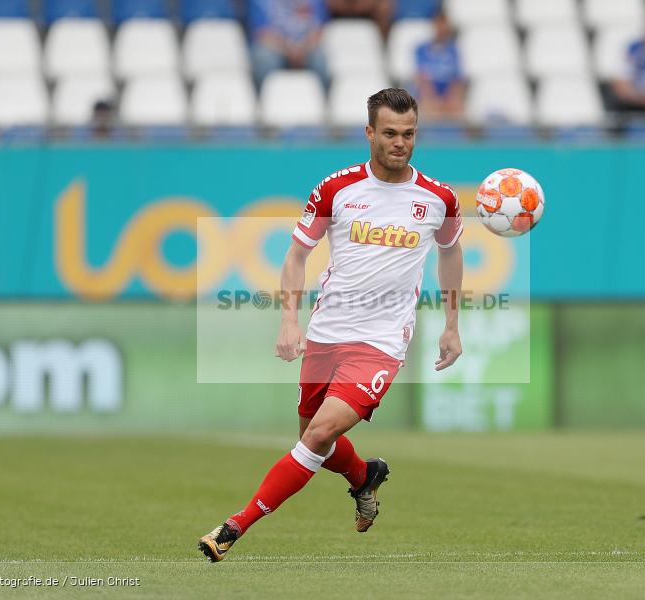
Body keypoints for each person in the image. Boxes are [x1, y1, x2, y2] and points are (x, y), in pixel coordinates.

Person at [198, 88, 464, 563]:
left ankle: (235, 526)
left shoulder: (438, 199)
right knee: (312, 438)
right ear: (369, 133)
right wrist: (288, 321)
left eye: (408, 134)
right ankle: (364, 476)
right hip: (327, 332)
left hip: (382, 342)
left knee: (318, 436)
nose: (400, 143)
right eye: (389, 133)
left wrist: (451, 324)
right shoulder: (336, 189)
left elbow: (451, 252)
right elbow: (298, 254)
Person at [249, 0, 330, 86]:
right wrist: (289, 49)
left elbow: (319, 30)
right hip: (274, 46)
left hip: (307, 47)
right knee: (265, 59)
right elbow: (261, 33)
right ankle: (261, 98)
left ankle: (324, 98)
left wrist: (302, 49)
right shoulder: (261, 2)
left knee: (320, 60)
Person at [414, 11, 465, 121]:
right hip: (428, 93)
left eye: (444, 24)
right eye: (438, 24)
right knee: (428, 107)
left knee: (457, 107)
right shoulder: (422, 49)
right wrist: (432, 99)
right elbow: (421, 77)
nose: (441, 28)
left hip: (448, 94)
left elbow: (457, 79)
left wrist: (449, 99)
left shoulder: (453, 50)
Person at [327, 0, 394, 38]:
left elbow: (385, 6)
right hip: (337, 24)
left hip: (371, 24)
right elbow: (332, 3)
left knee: (384, 8)